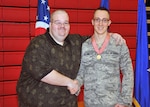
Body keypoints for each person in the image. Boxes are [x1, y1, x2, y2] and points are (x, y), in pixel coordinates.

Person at [16, 9, 125, 107]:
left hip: (68, 103)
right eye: (58, 22)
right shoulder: (38, 44)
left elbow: (95, 39)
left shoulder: (75, 41)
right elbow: (43, 73)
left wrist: (111, 35)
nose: (62, 26)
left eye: (65, 23)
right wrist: (70, 82)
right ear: (50, 24)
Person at [75, 7, 134, 107]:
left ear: (109, 22)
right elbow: (82, 72)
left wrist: (124, 100)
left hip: (113, 103)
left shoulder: (119, 44)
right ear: (92, 22)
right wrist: (75, 85)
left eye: (104, 20)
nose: (100, 24)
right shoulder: (85, 46)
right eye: (97, 20)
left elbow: (128, 72)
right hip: (90, 103)